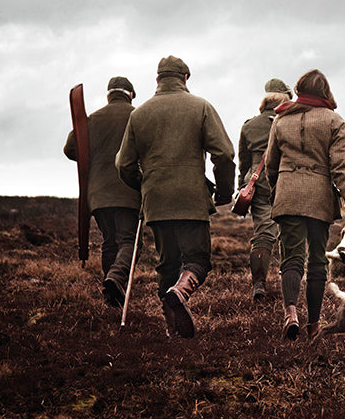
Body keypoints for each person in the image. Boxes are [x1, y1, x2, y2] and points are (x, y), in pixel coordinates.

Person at [116, 56, 235, 339]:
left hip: (156, 200)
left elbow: (123, 164)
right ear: (185, 79)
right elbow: (224, 154)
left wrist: (144, 186)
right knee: (198, 259)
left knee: (166, 264)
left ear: (157, 80)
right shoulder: (201, 107)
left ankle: (172, 330)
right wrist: (224, 191)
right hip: (192, 198)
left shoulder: (139, 114)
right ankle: (180, 292)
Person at [265, 69, 345, 341]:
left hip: (287, 195)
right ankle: (312, 325)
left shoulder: (280, 119)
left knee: (292, 258)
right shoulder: (334, 121)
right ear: (325, 92)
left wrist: (280, 191)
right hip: (319, 198)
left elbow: (271, 165)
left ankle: (290, 313)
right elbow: (341, 168)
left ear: (299, 89)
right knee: (317, 262)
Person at [63, 76, 142, 308]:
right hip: (129, 191)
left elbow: (70, 149)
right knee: (130, 241)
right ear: (130, 95)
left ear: (108, 95)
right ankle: (116, 278)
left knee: (110, 242)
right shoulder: (138, 116)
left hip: (97, 196)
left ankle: (112, 295)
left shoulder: (91, 120)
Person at [238, 78, 291, 301]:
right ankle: (290, 279)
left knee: (263, 233)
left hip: (258, 182)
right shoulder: (292, 122)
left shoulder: (250, 125)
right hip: (287, 179)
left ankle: (259, 283)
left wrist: (243, 184)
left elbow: (243, 160)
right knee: (291, 230)